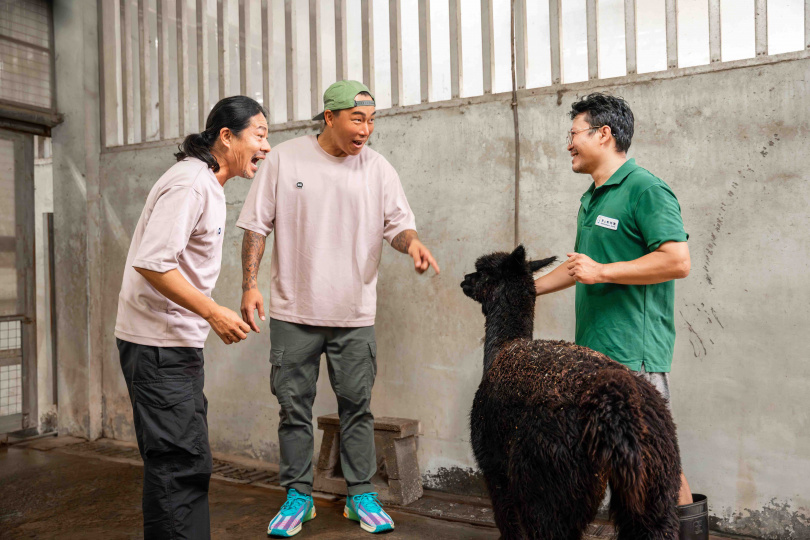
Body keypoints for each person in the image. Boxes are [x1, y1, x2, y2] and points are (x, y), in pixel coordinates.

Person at [237, 80, 439, 537]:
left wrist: (413, 245)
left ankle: (360, 496)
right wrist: (249, 285)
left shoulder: (378, 169)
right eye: (357, 119)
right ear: (329, 117)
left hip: (353, 315)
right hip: (294, 312)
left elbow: (398, 226)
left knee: (357, 408)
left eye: (371, 121)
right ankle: (298, 497)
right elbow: (255, 226)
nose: (366, 130)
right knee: (293, 408)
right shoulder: (285, 159)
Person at [114, 96, 270, 539]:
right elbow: (153, 262)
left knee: (185, 463)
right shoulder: (190, 184)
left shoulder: (208, 184)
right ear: (226, 136)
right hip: (158, 347)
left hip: (173, 346)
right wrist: (213, 312)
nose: (267, 146)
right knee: (179, 466)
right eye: (259, 134)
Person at [533, 92, 694, 506]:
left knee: (657, 465)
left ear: (603, 134)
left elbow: (677, 261)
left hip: (634, 356)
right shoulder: (592, 197)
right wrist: (523, 290)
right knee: (612, 463)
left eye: (574, 134)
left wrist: (602, 272)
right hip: (594, 354)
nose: (568, 143)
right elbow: (578, 267)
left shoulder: (646, 189)